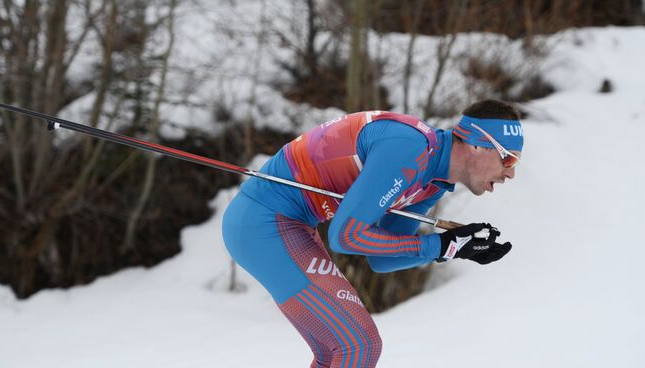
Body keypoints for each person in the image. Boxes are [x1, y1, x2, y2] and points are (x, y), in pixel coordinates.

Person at [222, 99, 522, 367]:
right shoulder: (411, 148)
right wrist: (438, 244)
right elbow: (346, 236)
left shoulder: (431, 180)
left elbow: (381, 260)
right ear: (475, 144)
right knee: (358, 347)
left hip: (287, 224)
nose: (510, 173)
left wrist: (451, 249)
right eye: (507, 158)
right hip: (263, 222)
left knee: (338, 353)